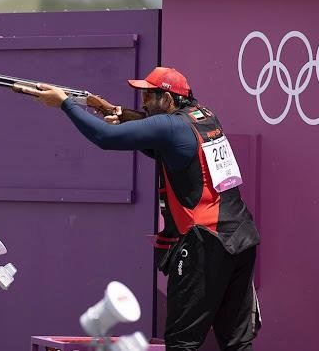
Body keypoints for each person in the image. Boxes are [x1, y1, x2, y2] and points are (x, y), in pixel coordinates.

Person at [21, 67, 261, 351]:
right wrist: (114, 111)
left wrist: (65, 103)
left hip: (206, 242)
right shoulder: (204, 117)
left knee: (182, 343)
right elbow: (159, 142)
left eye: (150, 96)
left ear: (169, 99)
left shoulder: (171, 126)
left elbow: (105, 138)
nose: (144, 103)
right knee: (237, 342)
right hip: (241, 237)